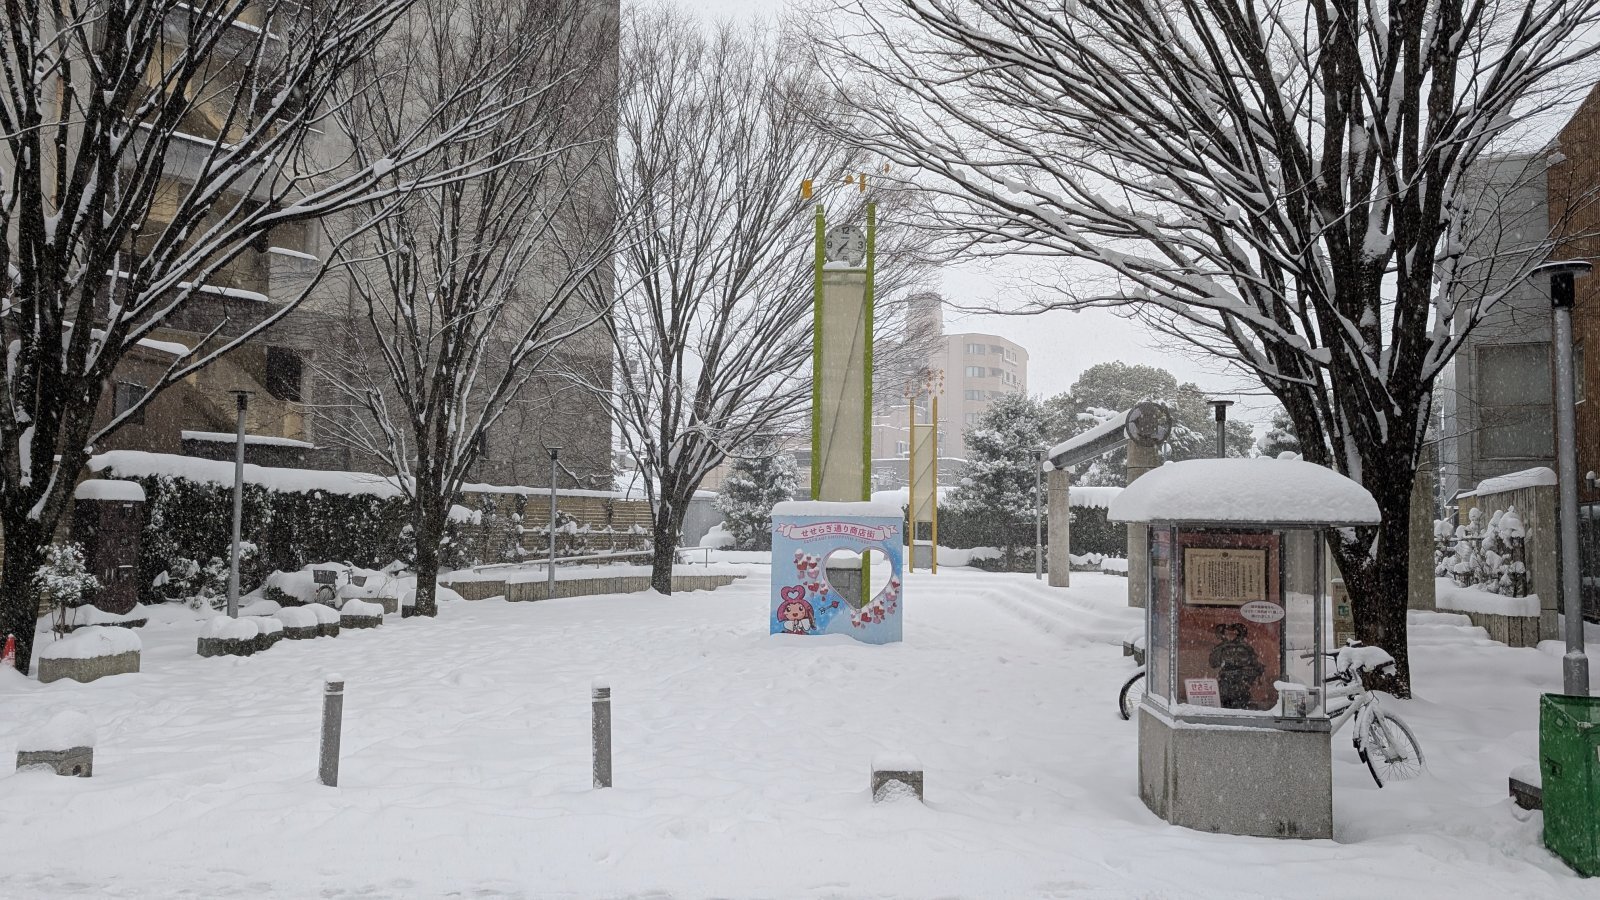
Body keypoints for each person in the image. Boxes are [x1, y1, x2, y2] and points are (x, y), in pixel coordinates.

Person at [1209, 622, 1265, 709]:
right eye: (1227, 633)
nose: (1231, 636)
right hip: (1227, 682)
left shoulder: (1245, 648)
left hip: (1241, 683)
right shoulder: (1221, 648)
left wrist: (1253, 672)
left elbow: (1255, 664)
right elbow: (1213, 663)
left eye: (1233, 633)